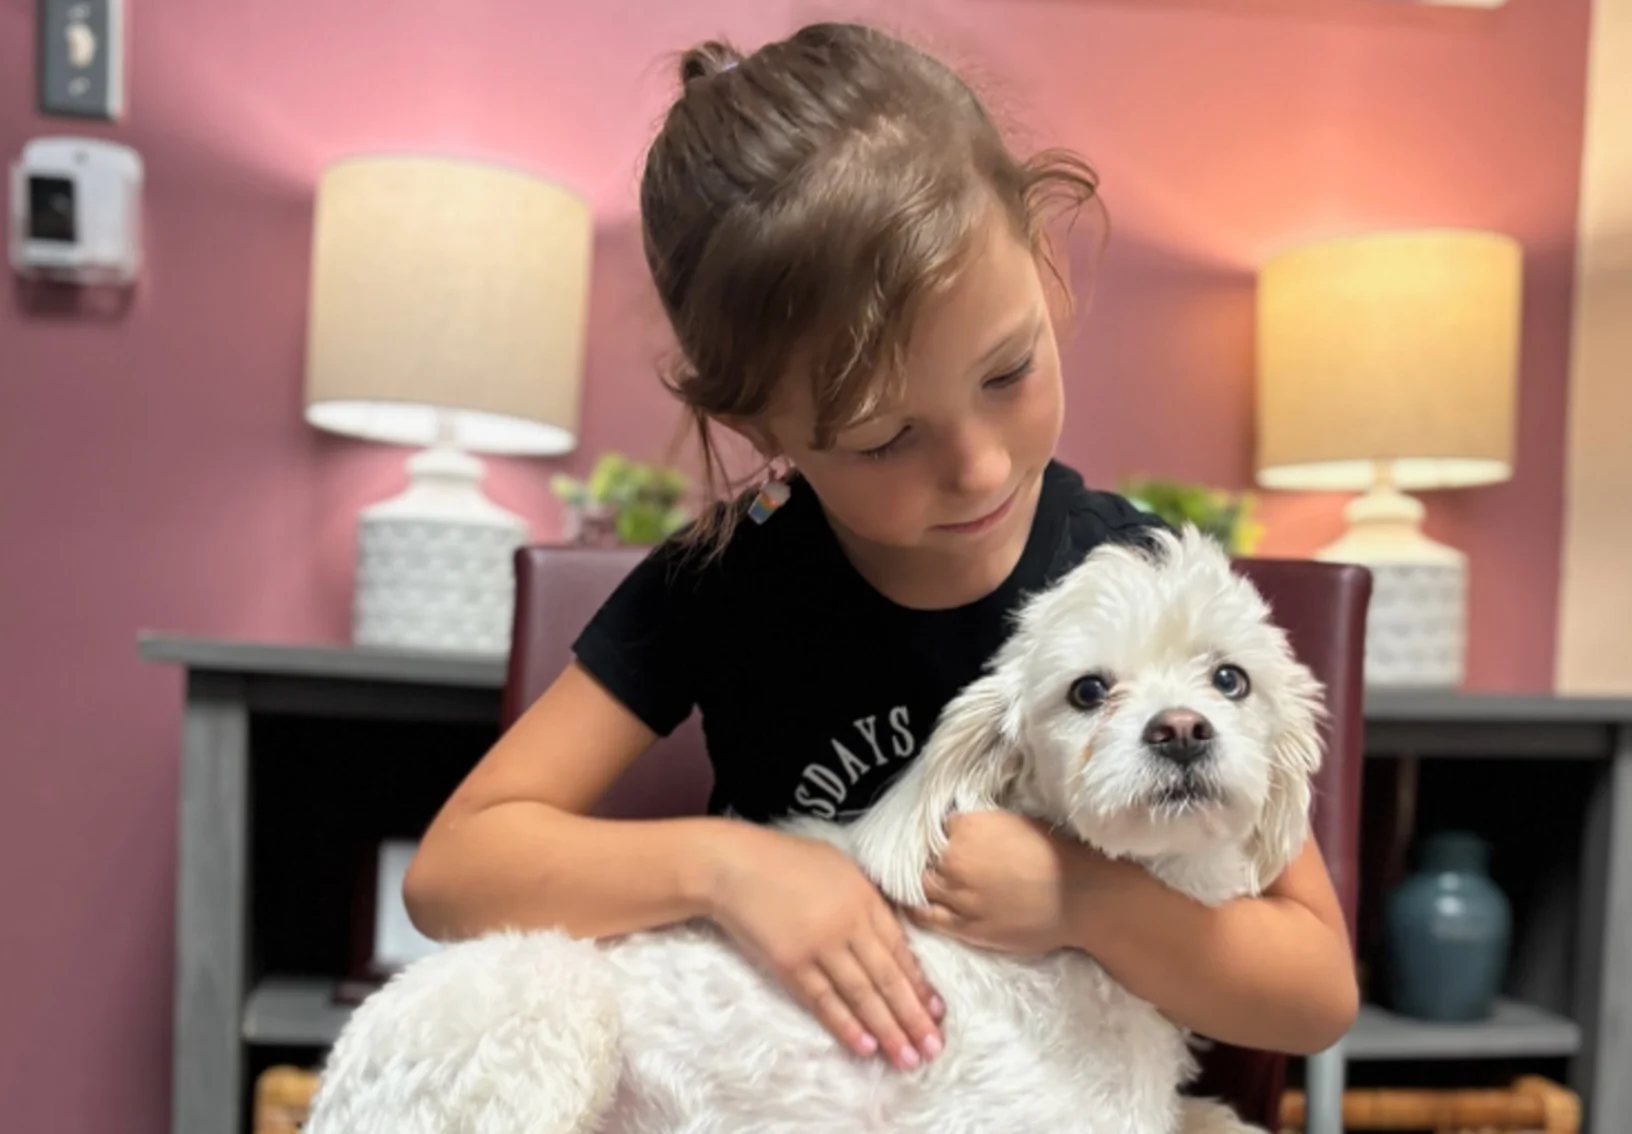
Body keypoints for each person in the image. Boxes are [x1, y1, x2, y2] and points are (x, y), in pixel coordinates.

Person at [404, 20, 1358, 1080]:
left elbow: (1315, 993)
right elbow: (454, 871)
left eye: (1008, 371)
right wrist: (730, 866)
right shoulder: (725, 583)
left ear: (1041, 258)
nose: (982, 469)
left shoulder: (1128, 584)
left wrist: (1085, 899)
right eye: (884, 439)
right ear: (763, 431)